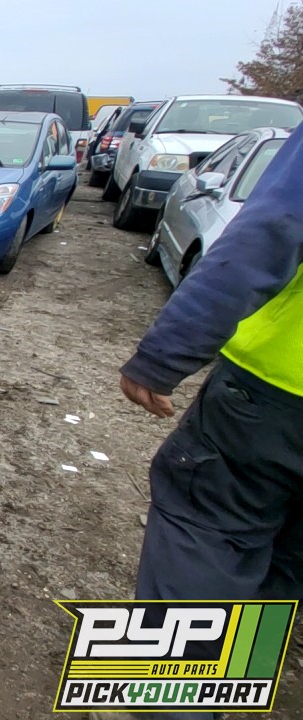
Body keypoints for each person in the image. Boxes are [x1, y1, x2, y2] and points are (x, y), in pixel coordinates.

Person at [108, 129, 303, 719]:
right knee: (287, 556)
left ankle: (173, 704)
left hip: (275, 398)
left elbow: (270, 234)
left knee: (204, 536)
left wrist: (166, 355)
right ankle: (232, 687)